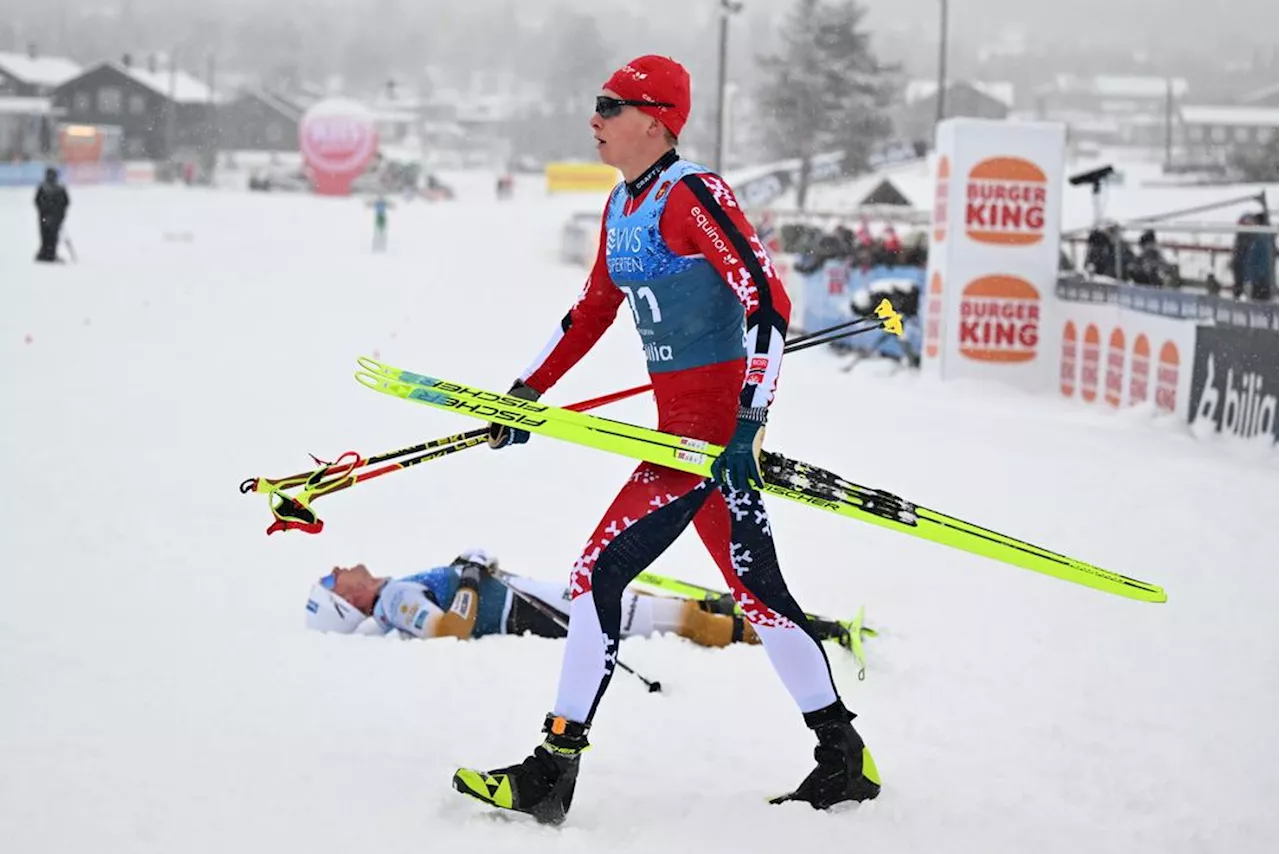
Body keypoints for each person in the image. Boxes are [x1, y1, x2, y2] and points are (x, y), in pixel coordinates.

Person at [452, 55, 880, 826]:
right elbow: (590, 312)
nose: (595, 119)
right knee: (762, 598)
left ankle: (553, 769)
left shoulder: (695, 194)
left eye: (609, 106)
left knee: (593, 577)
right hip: (682, 441)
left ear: (655, 120)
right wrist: (525, 395)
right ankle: (844, 757)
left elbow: (768, 303)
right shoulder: (622, 208)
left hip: (712, 448)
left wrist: (750, 421)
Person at [305, 549, 863, 650]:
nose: (336, 570)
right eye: (331, 584)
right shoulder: (392, 600)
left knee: (685, 613)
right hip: (539, 614)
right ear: (347, 604)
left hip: (539, 602)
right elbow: (452, 632)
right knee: (690, 619)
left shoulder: (391, 597)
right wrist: (471, 576)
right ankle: (816, 637)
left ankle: (804, 628)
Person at [34, 167, 69, 263]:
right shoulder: (60, 188)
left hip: (45, 217)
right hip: (55, 218)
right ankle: (49, 254)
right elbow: (65, 203)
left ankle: (46, 253)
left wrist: (44, 213)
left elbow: (37, 202)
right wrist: (60, 215)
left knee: (46, 235)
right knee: (52, 236)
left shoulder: (43, 187)